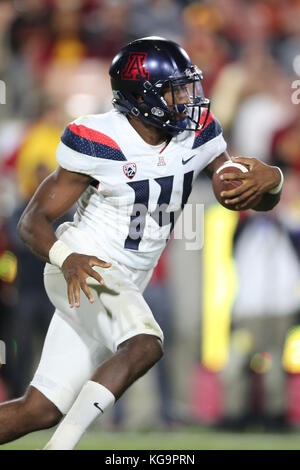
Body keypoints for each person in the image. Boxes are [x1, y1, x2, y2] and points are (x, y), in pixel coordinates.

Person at [0, 36, 283, 450]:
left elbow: (242, 193)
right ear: (142, 97)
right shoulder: (99, 137)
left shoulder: (196, 131)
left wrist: (270, 179)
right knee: (145, 344)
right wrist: (68, 257)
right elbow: (32, 220)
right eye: (175, 90)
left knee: (39, 409)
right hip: (85, 265)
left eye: (189, 87)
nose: (188, 99)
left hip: (124, 281)